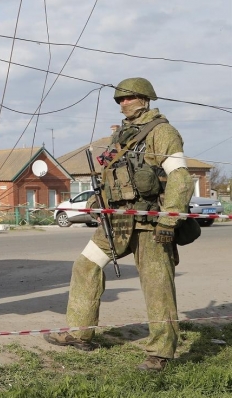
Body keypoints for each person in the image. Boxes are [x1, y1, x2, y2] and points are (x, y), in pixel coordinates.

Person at [43, 77, 193, 372]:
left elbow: (180, 178)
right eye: (119, 100)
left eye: (128, 98)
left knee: (157, 285)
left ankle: (160, 354)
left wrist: (169, 218)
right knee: (85, 266)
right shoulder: (121, 136)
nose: (123, 103)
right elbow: (110, 174)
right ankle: (80, 333)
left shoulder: (163, 132)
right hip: (119, 221)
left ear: (145, 98)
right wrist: (99, 202)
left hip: (150, 223)